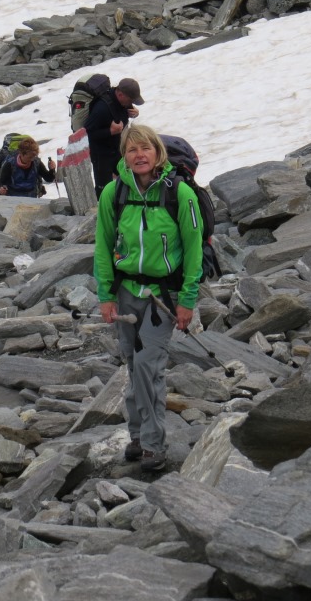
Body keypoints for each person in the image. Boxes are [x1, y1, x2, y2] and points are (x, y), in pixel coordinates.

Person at [93, 125, 204, 473]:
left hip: (164, 297)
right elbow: (103, 246)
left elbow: (194, 251)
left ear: (158, 153)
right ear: (124, 156)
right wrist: (106, 295)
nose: (139, 155)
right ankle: (138, 436)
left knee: (146, 366)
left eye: (146, 148)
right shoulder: (113, 193)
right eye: (132, 149)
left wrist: (187, 300)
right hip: (126, 292)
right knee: (132, 364)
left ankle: (153, 446)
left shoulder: (180, 193)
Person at [84, 77, 143, 197]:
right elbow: (87, 133)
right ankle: (101, 207)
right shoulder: (101, 108)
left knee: (130, 180)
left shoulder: (122, 102)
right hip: (101, 155)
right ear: (121, 94)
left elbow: (123, 111)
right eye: (131, 100)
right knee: (104, 189)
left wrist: (135, 113)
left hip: (118, 150)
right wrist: (110, 131)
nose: (131, 103)